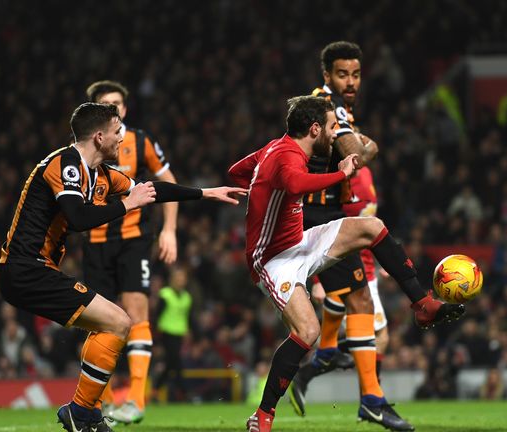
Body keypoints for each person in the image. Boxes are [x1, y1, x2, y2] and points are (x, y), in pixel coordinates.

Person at [0, 102, 246, 432]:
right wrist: (127, 205)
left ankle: (86, 413)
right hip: (23, 268)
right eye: (117, 133)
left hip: (39, 270)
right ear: (99, 137)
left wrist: (206, 193)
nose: (122, 140)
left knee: (110, 324)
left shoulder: (100, 174)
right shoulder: (65, 164)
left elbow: (150, 191)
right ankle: (83, 412)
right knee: (117, 320)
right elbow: (79, 217)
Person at [228, 95, 464, 432]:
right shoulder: (285, 155)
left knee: (372, 227)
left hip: (299, 241)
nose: (335, 133)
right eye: (331, 127)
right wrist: (340, 174)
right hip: (272, 259)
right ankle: (263, 415)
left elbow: (237, 172)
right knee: (307, 331)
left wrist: (259, 199)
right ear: (314, 129)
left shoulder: (273, 149)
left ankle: (422, 302)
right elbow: (295, 183)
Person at [287, 40, 416, 431]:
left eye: (356, 74)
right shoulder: (325, 107)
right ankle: (336, 374)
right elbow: (355, 153)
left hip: (322, 214)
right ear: (327, 75)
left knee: (358, 301)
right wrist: (365, 146)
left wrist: (361, 146)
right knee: (347, 305)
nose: (351, 81)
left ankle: (368, 398)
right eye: (342, 73)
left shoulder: (338, 109)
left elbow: (354, 153)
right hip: (311, 215)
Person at [82, 80, 178, 424]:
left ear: (125, 107)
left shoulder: (140, 141)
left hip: (134, 238)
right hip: (94, 242)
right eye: (106, 104)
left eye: (118, 103)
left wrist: (169, 230)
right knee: (99, 320)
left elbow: (167, 182)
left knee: (137, 309)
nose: (115, 109)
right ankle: (100, 402)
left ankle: (136, 400)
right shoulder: (79, 149)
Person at [153, 265, 194, 402]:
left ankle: (156, 389)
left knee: (171, 364)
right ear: (172, 279)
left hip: (179, 333)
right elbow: (157, 314)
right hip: (166, 332)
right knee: (176, 362)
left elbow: (187, 317)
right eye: (178, 278)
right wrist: (156, 338)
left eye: (182, 278)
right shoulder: (165, 294)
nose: (180, 280)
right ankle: (184, 392)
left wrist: (189, 330)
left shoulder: (187, 297)